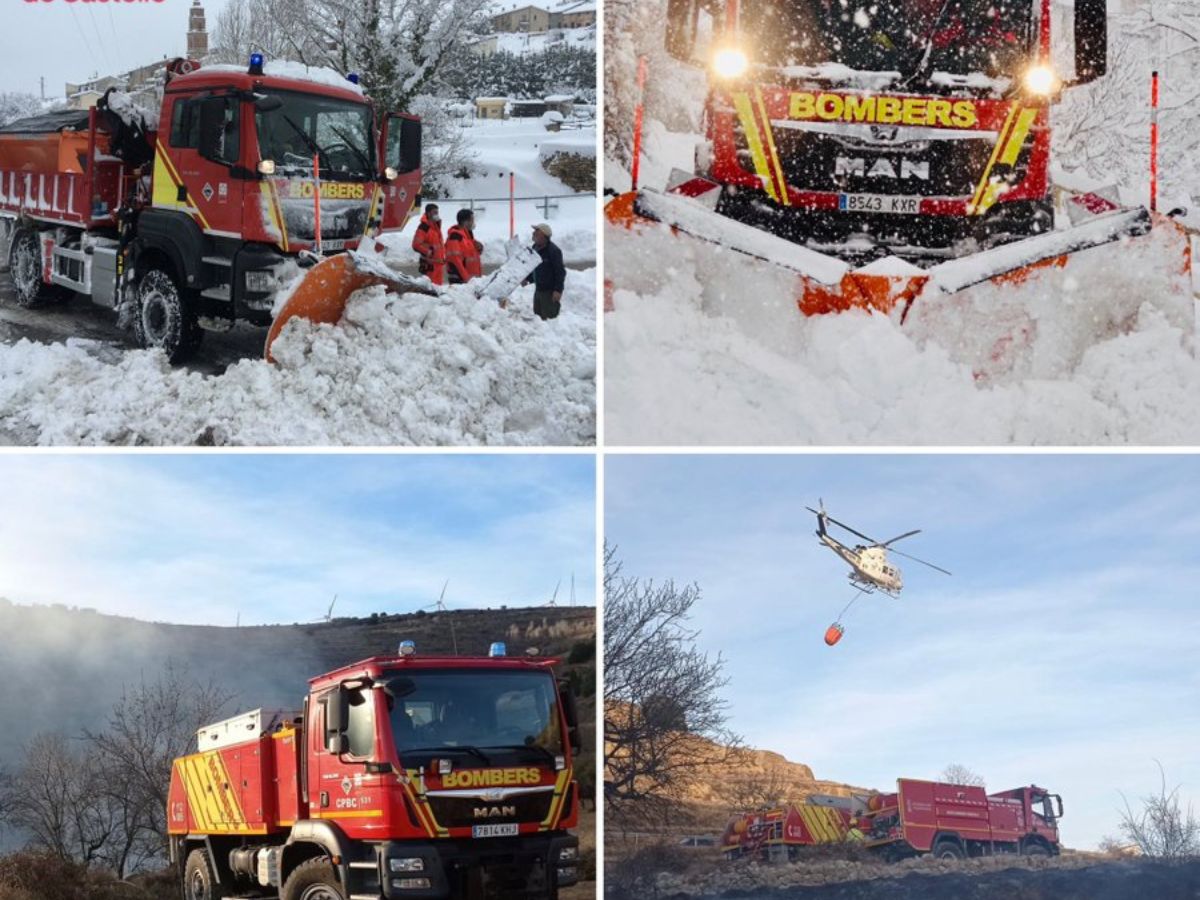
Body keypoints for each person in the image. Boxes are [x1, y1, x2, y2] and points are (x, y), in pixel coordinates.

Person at [526, 222, 566, 320]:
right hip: (538, 290)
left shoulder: (553, 251)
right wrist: (528, 279)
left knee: (549, 319)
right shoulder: (534, 248)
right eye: (534, 231)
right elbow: (533, 267)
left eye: (537, 232)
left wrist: (558, 290)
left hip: (549, 292)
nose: (533, 234)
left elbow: (560, 272)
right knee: (538, 319)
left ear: (544, 235)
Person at [445, 209, 483, 285]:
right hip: (461, 281)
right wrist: (467, 279)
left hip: (470, 281)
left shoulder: (467, 236)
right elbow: (455, 260)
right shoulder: (455, 237)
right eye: (472, 220)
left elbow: (470, 255)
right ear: (465, 222)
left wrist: (480, 248)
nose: (473, 222)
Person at [410, 203, 445, 285]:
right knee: (430, 291)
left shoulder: (436, 227)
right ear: (428, 213)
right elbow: (416, 245)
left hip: (438, 265)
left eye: (437, 212)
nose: (437, 214)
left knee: (438, 290)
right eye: (435, 212)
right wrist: (428, 251)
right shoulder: (424, 227)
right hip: (430, 266)